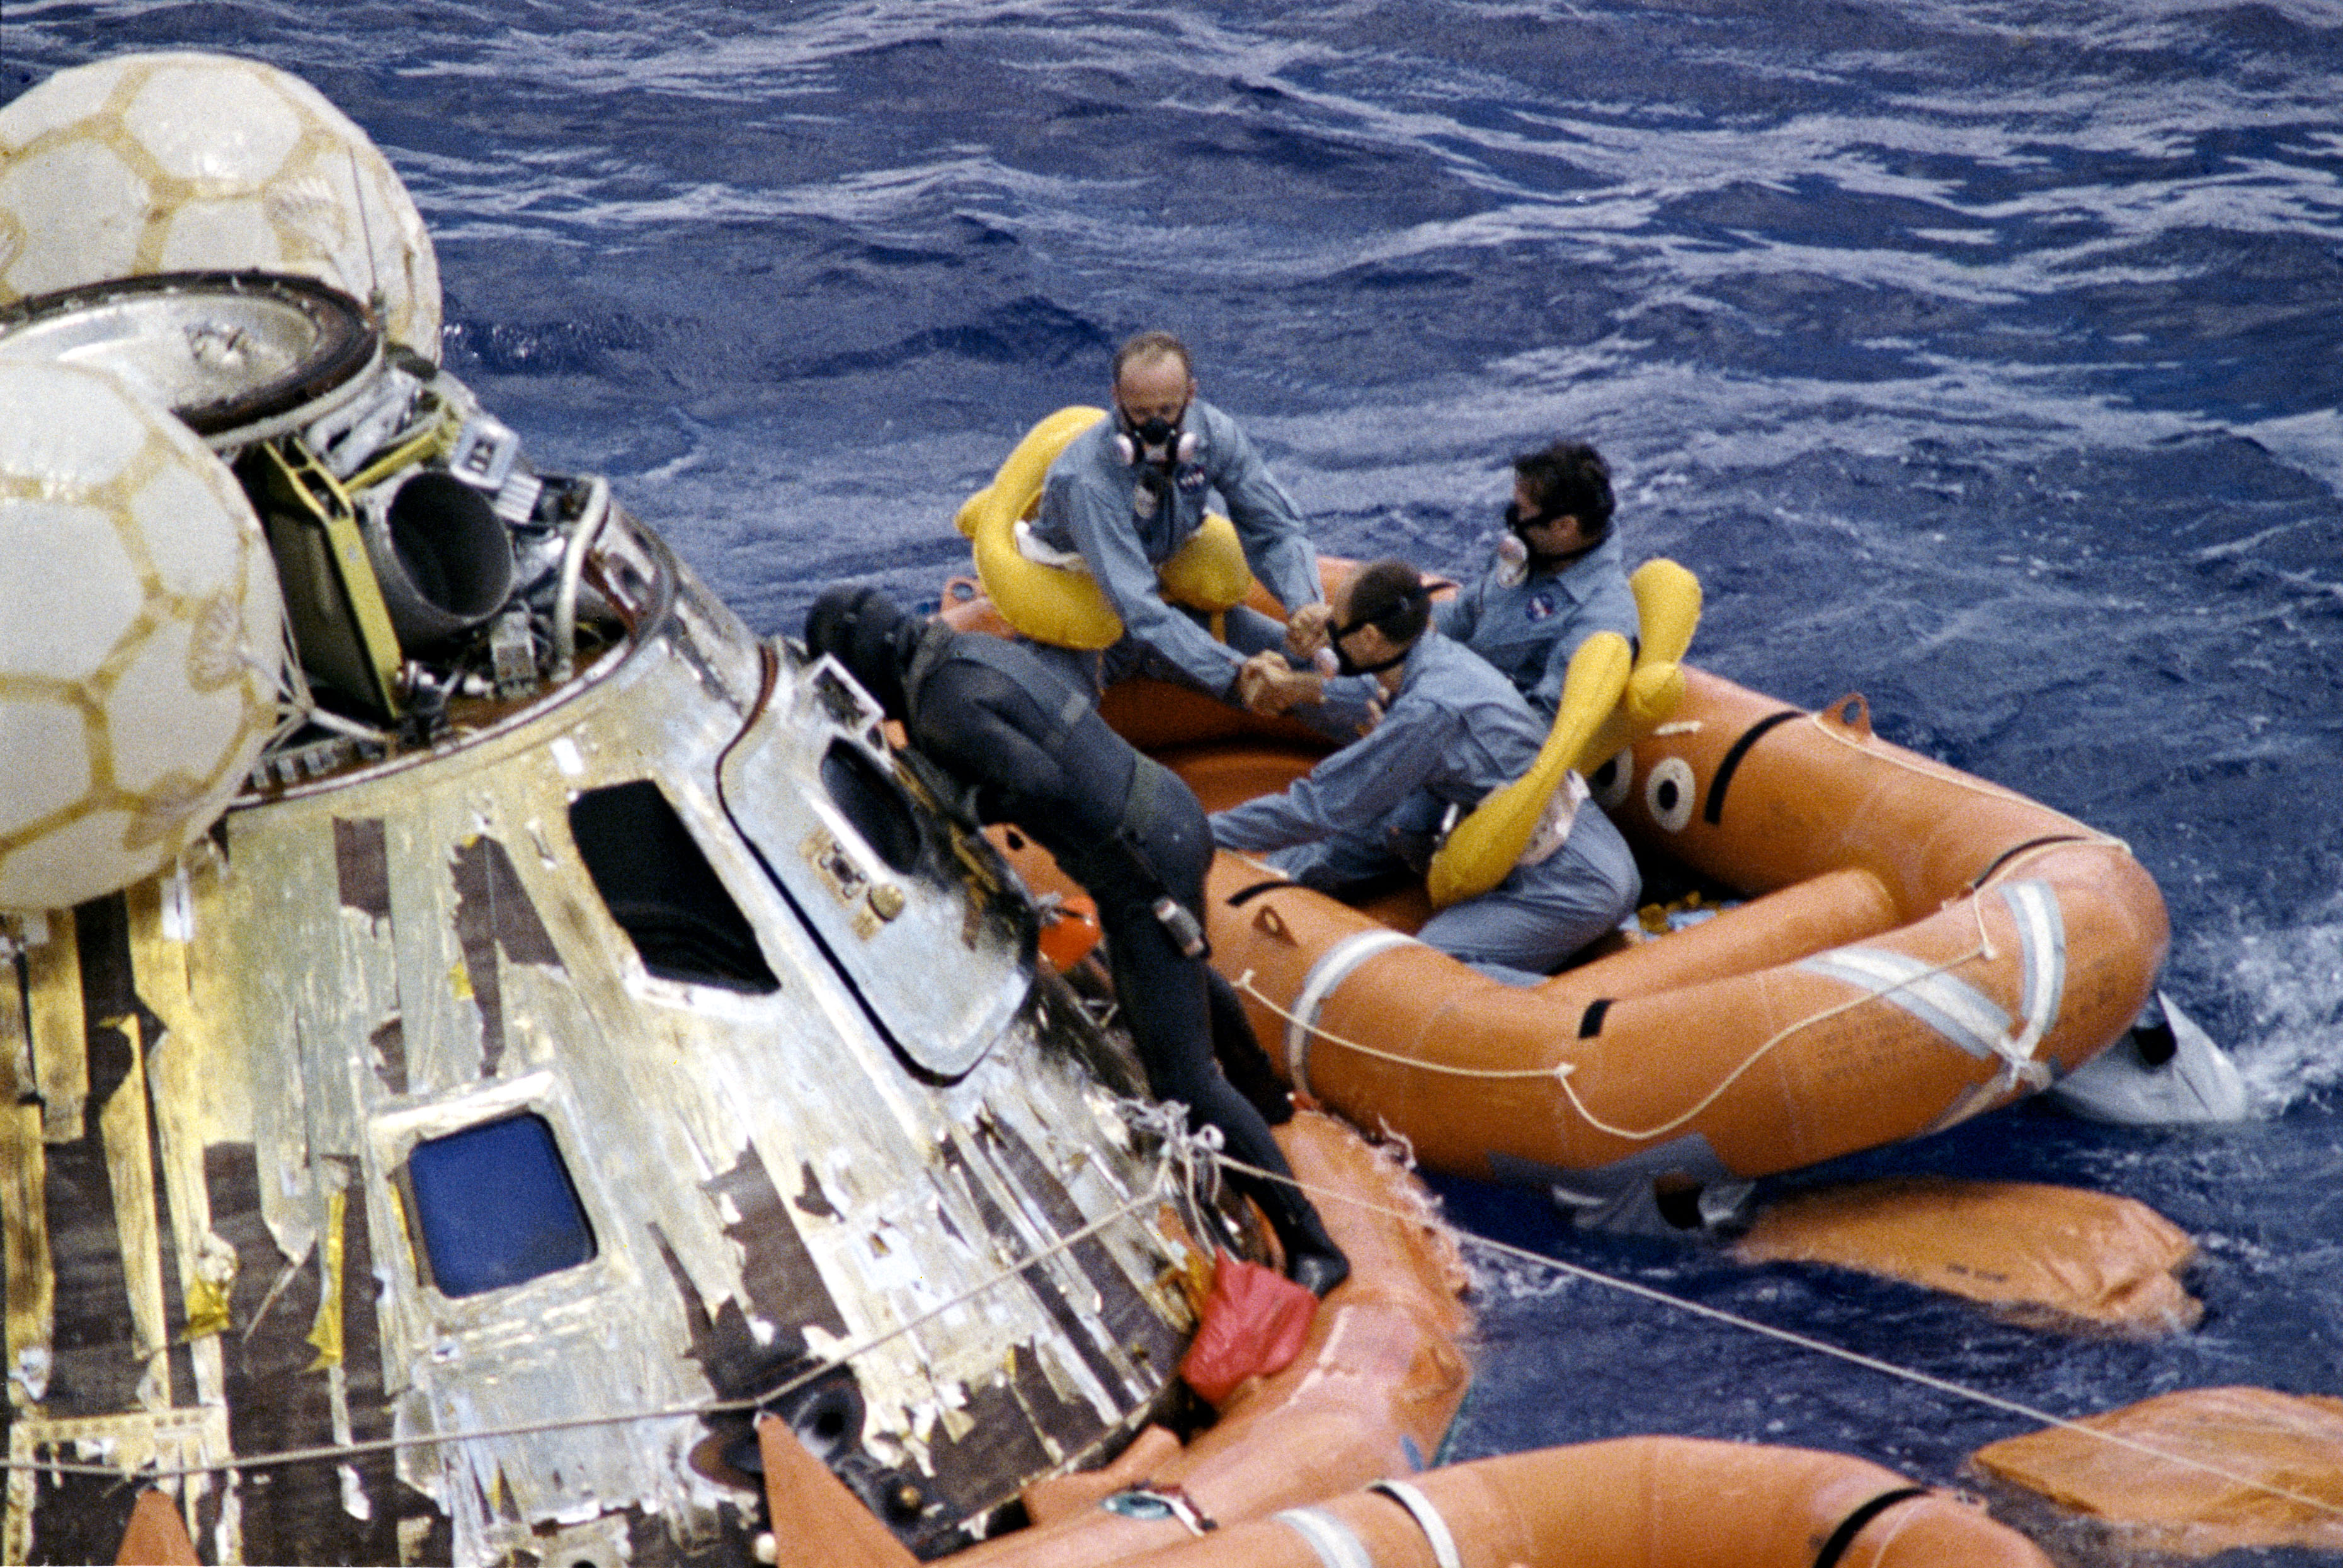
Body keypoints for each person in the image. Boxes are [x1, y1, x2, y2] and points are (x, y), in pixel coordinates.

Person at [802, 587, 1350, 1297]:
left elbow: (1033, 780)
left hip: (1140, 867)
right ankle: (1266, 1099)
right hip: (1167, 808)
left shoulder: (941, 707)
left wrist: (961, 801)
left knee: (1182, 1079)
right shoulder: (969, 652)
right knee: (1174, 974)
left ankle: (1313, 1243)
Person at [1211, 560, 1641, 987]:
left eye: (1336, 627)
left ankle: (1567, 1007)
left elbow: (1320, 807)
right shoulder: (1439, 658)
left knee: (1428, 972)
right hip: (1585, 847)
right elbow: (1372, 694)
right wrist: (1299, 687)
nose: (1330, 638)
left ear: (1371, 638)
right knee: (1385, 827)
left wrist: (1206, 831)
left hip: (1573, 882)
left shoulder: (1428, 712)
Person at [1022, 330, 1336, 712]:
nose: (1155, 429)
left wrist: (1305, 606)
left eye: (1168, 411)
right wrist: (1236, 672)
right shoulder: (1089, 480)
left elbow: (1274, 530)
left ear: (1191, 394)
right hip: (1083, 621)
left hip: (1165, 605)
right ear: (1116, 398)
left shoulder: (1214, 434)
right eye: (1140, 414)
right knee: (1062, 725)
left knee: (1325, 675)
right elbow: (1139, 608)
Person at [1241, 438, 1639, 725]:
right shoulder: (1530, 557)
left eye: (1521, 512)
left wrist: (1399, 706)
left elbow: (1543, 722)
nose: (1511, 522)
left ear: (1564, 527)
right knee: (1285, 640)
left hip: (1467, 730)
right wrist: (1350, 629)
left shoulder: (1601, 617)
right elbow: (1460, 616)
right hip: (1436, 687)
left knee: (1328, 684)